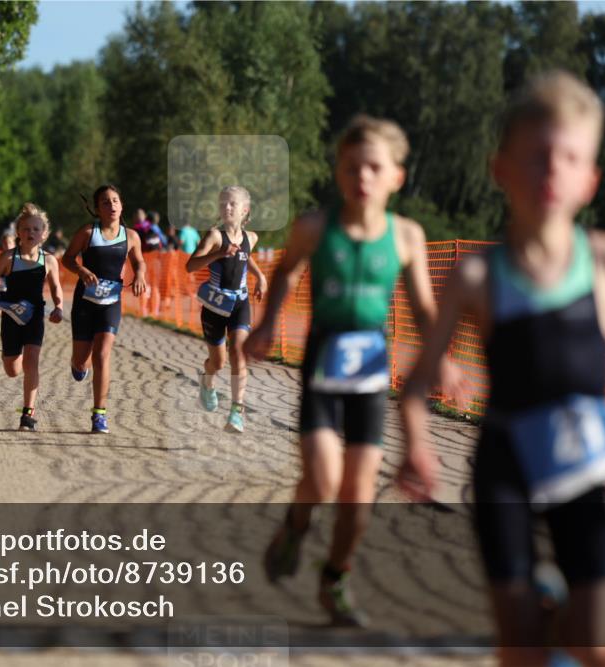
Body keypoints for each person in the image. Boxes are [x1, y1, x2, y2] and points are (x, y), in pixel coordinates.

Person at [397, 71, 605, 667]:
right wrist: (417, 446)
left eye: (569, 157)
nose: (551, 171)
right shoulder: (477, 277)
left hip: (578, 463)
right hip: (505, 467)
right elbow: (416, 384)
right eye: (535, 157)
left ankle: (562, 616)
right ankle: (541, 623)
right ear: (499, 168)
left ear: (591, 179)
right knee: (521, 647)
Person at [244, 114, 466, 626]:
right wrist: (268, 323)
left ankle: (336, 578)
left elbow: (423, 308)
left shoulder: (407, 236)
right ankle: (296, 525)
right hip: (323, 364)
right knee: (321, 480)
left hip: (369, 373)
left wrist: (443, 359)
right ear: (338, 172)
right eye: (350, 167)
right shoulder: (314, 228)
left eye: (373, 167)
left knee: (358, 497)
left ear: (396, 177)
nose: (361, 177)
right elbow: (286, 270)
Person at [62, 184, 148, 434]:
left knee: (102, 354)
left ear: (121, 205)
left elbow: (139, 261)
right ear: (97, 209)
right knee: (82, 360)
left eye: (115, 201)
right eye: (105, 202)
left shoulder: (131, 236)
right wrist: (82, 270)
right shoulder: (88, 232)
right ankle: (78, 365)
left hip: (111, 302)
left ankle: (99, 414)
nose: (111, 205)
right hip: (85, 303)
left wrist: (141, 274)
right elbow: (67, 258)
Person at [186, 186, 267, 433]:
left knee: (238, 354)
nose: (226, 208)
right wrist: (219, 253)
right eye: (223, 203)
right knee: (218, 362)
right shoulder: (214, 236)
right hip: (214, 305)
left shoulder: (251, 238)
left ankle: (236, 412)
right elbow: (190, 266)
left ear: (245, 210)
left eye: (232, 204)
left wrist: (260, 277)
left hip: (239, 304)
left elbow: (245, 256)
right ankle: (207, 382)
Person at [0, 203, 64, 431]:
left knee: (32, 360)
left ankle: (28, 414)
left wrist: (58, 307)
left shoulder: (49, 260)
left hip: (35, 315)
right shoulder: (8, 257)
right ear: (18, 232)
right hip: (11, 317)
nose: (31, 233)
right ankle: (8, 355)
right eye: (26, 229)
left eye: (36, 229)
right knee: (12, 370)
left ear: (44, 234)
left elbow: (56, 287)